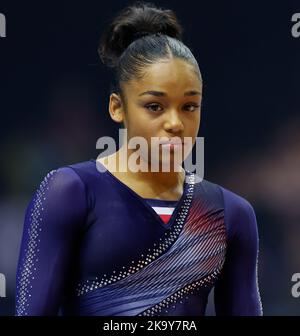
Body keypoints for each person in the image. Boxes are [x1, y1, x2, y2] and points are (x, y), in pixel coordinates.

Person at [15, 1, 263, 316]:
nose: (175, 123)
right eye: (155, 106)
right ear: (117, 107)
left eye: (189, 106)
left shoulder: (231, 214)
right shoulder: (70, 193)